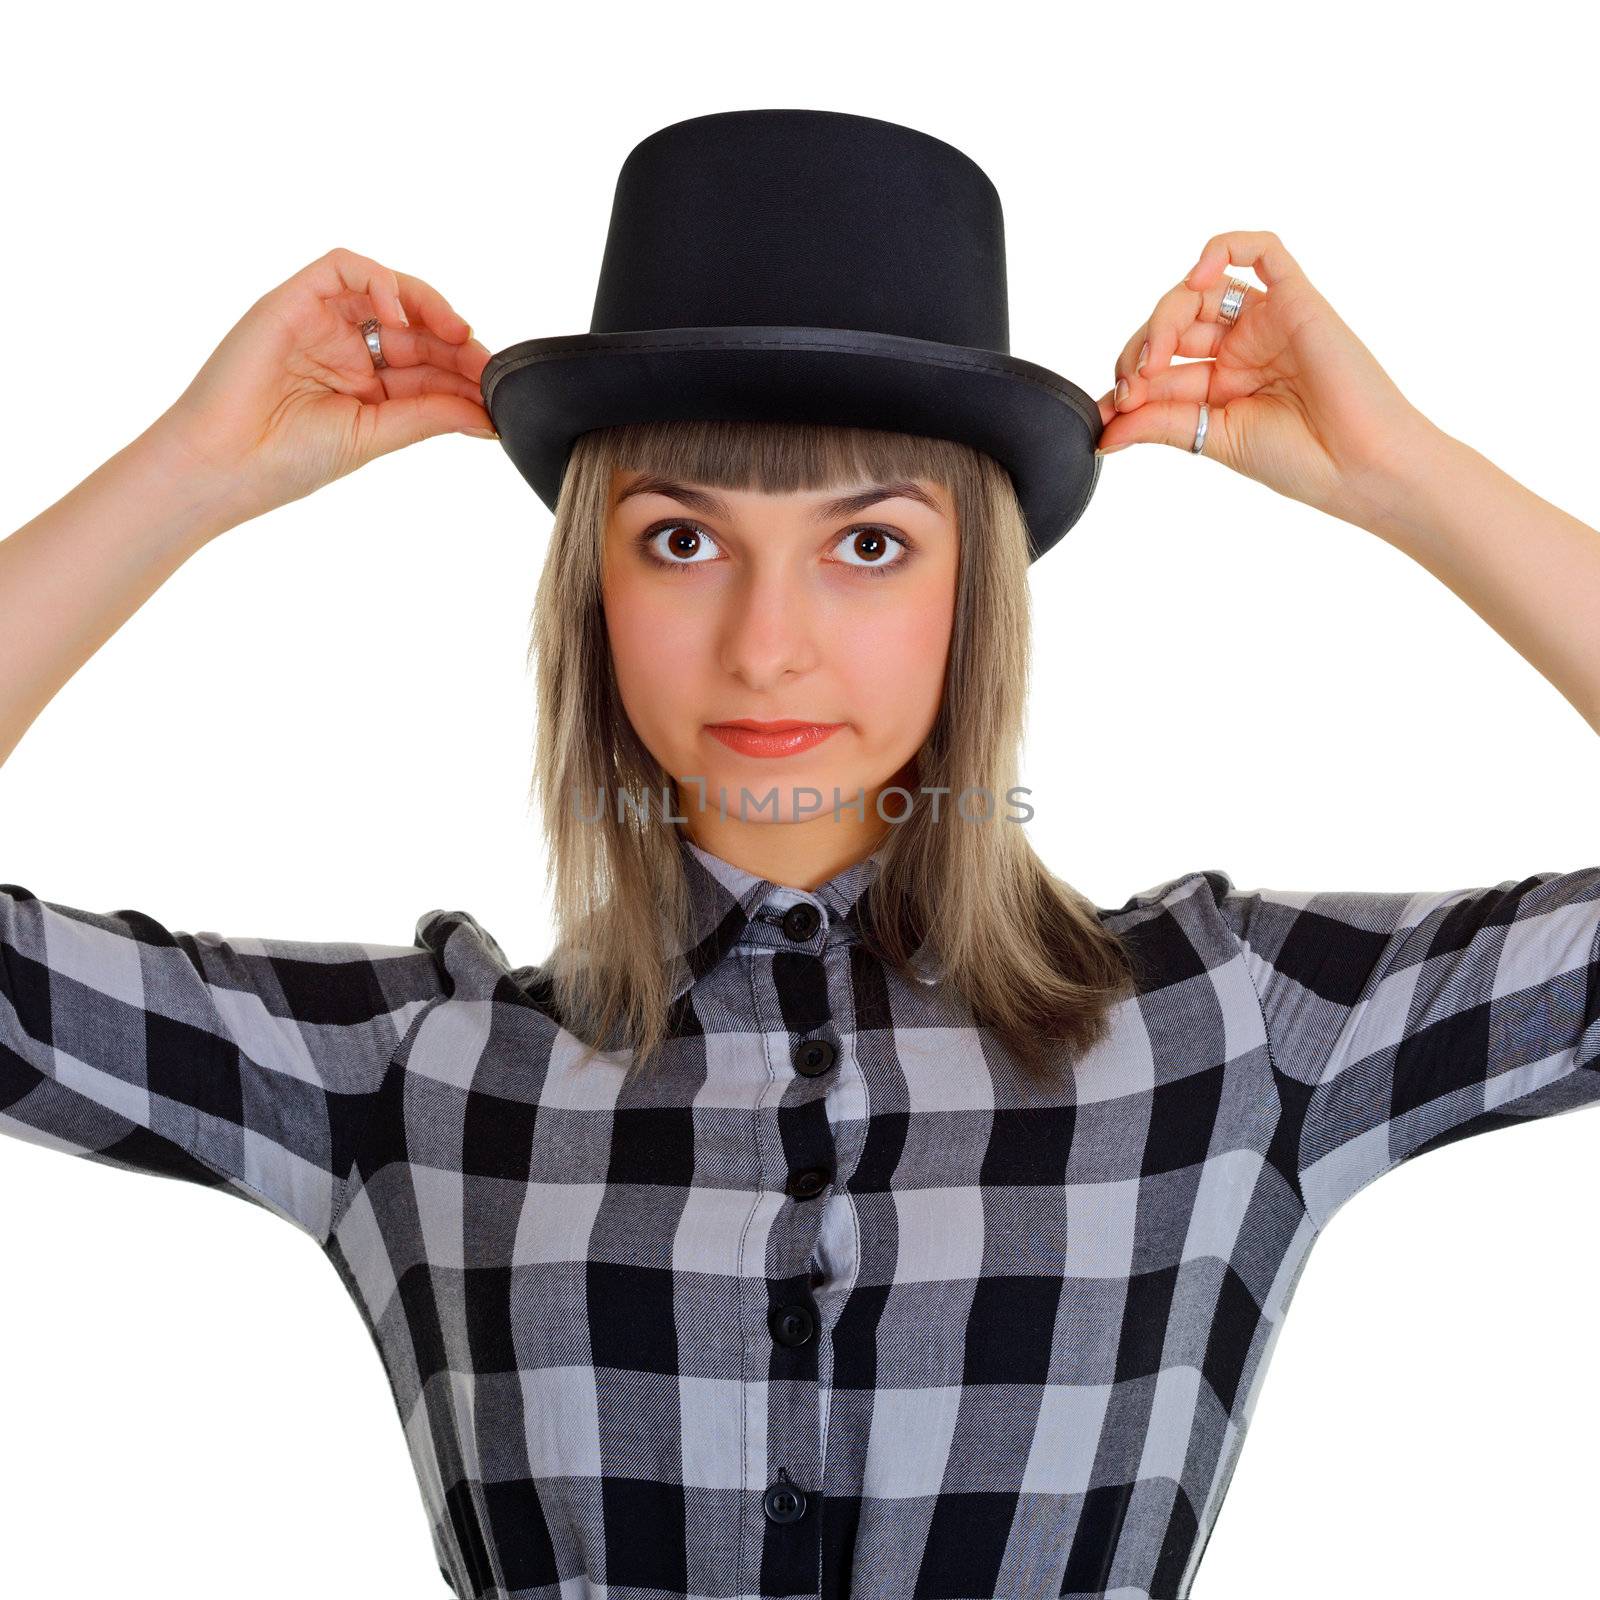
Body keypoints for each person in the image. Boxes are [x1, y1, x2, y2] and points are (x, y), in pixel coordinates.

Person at [2, 220, 1597, 1600]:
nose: (768, 646)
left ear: (974, 588)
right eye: (683, 540)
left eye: (870, 544)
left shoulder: (1224, 1029)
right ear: (593, 592)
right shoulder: (422, 1074)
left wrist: (1412, 480)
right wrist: (185, 478)